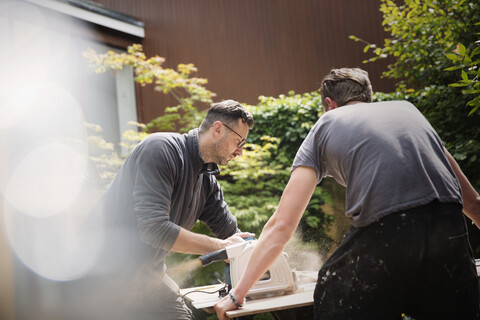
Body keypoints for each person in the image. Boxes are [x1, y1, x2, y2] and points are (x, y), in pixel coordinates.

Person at [214, 68, 480, 320]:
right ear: (368, 98)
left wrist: (236, 296)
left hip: (390, 230)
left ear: (329, 104)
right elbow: (472, 202)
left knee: (333, 288)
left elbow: (282, 225)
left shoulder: (327, 122)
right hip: (451, 231)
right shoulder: (409, 112)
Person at [90, 100, 255, 320]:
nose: (240, 152)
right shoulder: (160, 149)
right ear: (218, 129)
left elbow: (233, 237)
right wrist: (221, 247)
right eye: (239, 141)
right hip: (102, 277)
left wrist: (260, 256)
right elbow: (154, 229)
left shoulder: (206, 181)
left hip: (149, 276)